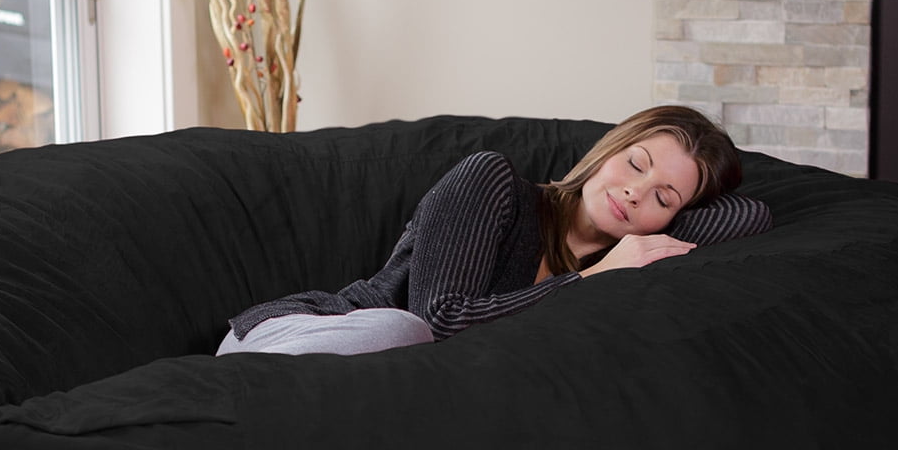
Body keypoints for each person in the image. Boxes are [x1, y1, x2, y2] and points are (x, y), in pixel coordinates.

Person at [216, 105, 764, 357]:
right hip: (301, 333)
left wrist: (660, 221)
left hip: (362, 380)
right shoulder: (493, 182)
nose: (635, 193)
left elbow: (750, 215)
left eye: (664, 198)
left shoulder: (630, 252)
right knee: (404, 331)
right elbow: (440, 321)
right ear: (605, 153)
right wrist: (593, 277)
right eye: (635, 164)